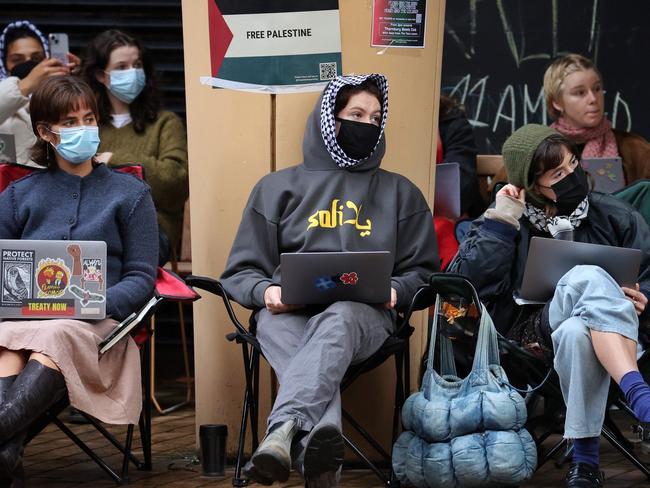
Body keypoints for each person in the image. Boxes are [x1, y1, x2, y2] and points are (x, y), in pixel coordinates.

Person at [221, 74, 439, 487]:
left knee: (338, 316)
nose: (367, 125)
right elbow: (240, 272)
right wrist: (266, 292)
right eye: (355, 114)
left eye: (376, 118)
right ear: (328, 119)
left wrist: (396, 289)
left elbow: (424, 273)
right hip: (290, 315)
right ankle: (316, 454)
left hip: (365, 318)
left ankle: (282, 432)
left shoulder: (401, 193)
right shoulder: (276, 188)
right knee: (277, 324)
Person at [447, 124, 650, 487]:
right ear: (532, 184)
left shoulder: (617, 215)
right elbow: (463, 283)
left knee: (577, 332)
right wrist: (502, 220)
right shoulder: (511, 220)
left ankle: (585, 464)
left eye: (574, 164)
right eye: (558, 173)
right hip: (534, 336)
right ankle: (640, 394)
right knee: (585, 275)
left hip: (621, 333)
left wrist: (644, 295)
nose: (572, 176)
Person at [0, 75, 158, 484]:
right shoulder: (17, 196)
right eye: (70, 123)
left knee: (54, 336)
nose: (83, 128)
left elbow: (142, 278)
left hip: (97, 327)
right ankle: (5, 454)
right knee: (9, 342)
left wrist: (90, 302)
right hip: (24, 321)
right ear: (45, 132)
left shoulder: (131, 193)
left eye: (89, 118)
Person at [79, 29, 188, 265]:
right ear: (101, 75)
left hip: (152, 227)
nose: (132, 72)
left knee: (111, 257)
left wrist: (114, 159)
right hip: (93, 225)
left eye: (137, 65)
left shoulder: (164, 123)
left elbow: (175, 183)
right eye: (121, 67)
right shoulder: (86, 125)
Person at [493, 54, 650, 189]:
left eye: (596, 89)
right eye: (580, 93)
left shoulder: (634, 149)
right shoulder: (535, 149)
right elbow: (499, 195)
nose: (593, 99)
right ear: (557, 102)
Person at [0, 20, 79, 167]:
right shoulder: (3, 95)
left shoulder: (58, 95)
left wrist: (77, 82)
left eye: (36, 59)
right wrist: (26, 85)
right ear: (4, 64)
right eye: (17, 60)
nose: (29, 64)